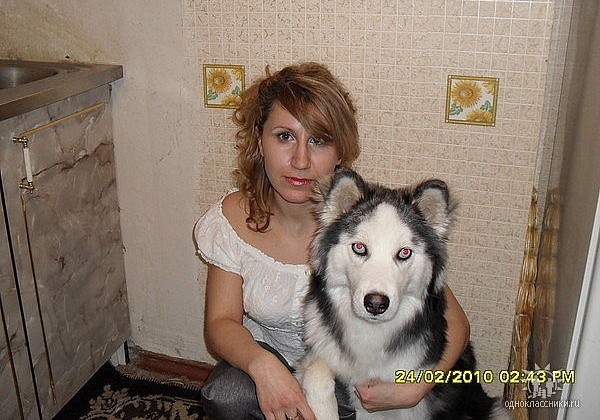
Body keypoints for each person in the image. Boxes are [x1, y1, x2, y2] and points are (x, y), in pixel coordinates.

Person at [194, 62, 470, 420]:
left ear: (340, 152)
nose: (300, 160)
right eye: (284, 136)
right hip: (272, 357)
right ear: (259, 141)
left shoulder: (366, 220)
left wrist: (419, 385)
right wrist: (263, 366)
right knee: (226, 394)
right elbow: (220, 323)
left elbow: (456, 323)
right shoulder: (231, 218)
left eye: (319, 141)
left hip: (349, 369)